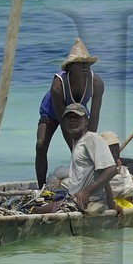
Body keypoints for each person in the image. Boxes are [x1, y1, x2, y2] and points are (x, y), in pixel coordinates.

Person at [36, 38, 105, 188]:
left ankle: (85, 180)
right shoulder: (58, 85)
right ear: (70, 67)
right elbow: (63, 122)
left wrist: (89, 144)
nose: (85, 66)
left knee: (85, 149)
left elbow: (94, 117)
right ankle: (41, 187)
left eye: (87, 63)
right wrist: (75, 149)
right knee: (41, 145)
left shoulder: (97, 83)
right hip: (54, 112)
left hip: (78, 112)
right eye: (80, 63)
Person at [54, 102, 122, 214]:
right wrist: (112, 205)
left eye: (77, 117)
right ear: (64, 122)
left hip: (90, 202)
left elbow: (111, 169)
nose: (72, 121)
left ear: (86, 121)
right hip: (76, 200)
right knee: (39, 207)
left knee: (40, 210)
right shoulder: (77, 142)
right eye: (69, 118)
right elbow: (102, 176)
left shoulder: (92, 138)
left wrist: (86, 191)